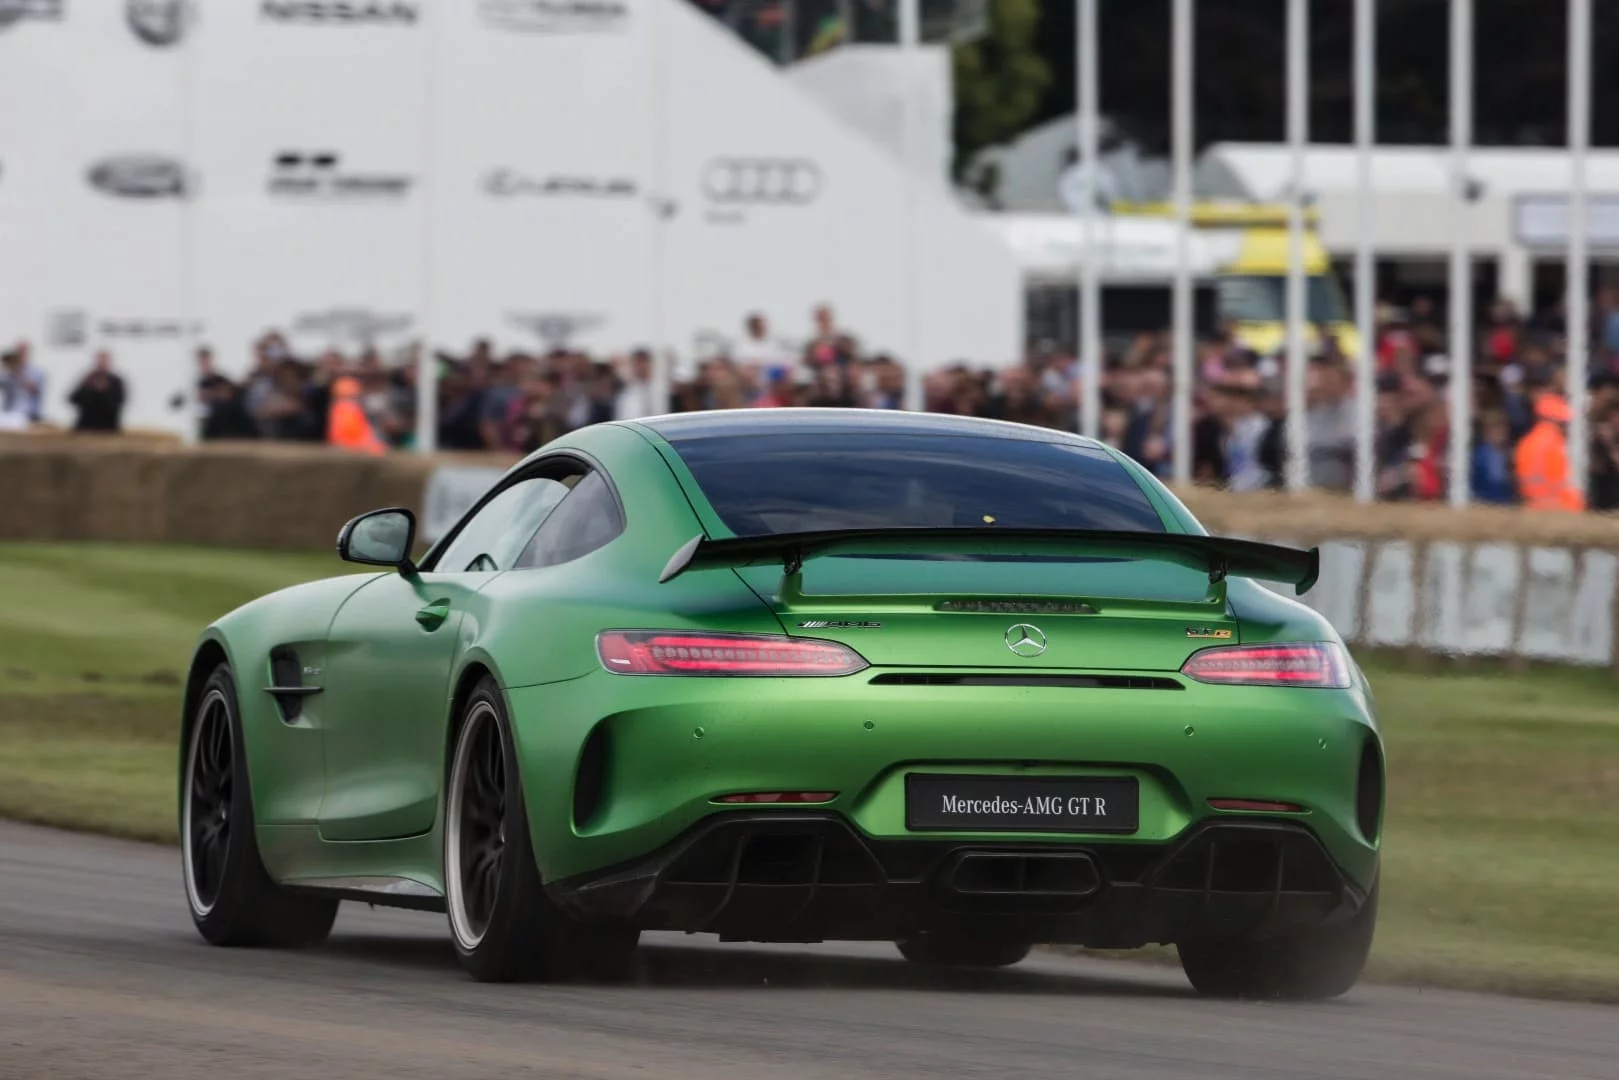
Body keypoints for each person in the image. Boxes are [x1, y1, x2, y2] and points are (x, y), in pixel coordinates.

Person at [1514, 392, 1584, 511]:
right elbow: (1564, 481)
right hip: (1560, 508)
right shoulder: (1557, 444)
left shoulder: (1525, 443)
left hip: (1532, 507)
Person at [68, 351, 127, 433]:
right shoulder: (88, 379)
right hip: (86, 426)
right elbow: (73, 399)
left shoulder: (116, 381)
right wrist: (89, 390)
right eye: (100, 361)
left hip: (108, 428)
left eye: (104, 361)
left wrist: (103, 392)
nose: (102, 364)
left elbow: (118, 403)